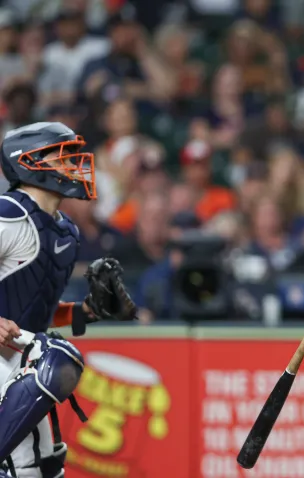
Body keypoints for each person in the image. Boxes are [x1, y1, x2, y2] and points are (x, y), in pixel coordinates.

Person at [0, 122, 136, 477]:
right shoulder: (8, 214)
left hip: (17, 361)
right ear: (29, 162)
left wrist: (89, 310)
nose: (74, 166)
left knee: (47, 467)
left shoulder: (65, 231)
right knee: (58, 357)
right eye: (63, 156)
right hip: (7, 358)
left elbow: (33, 312)